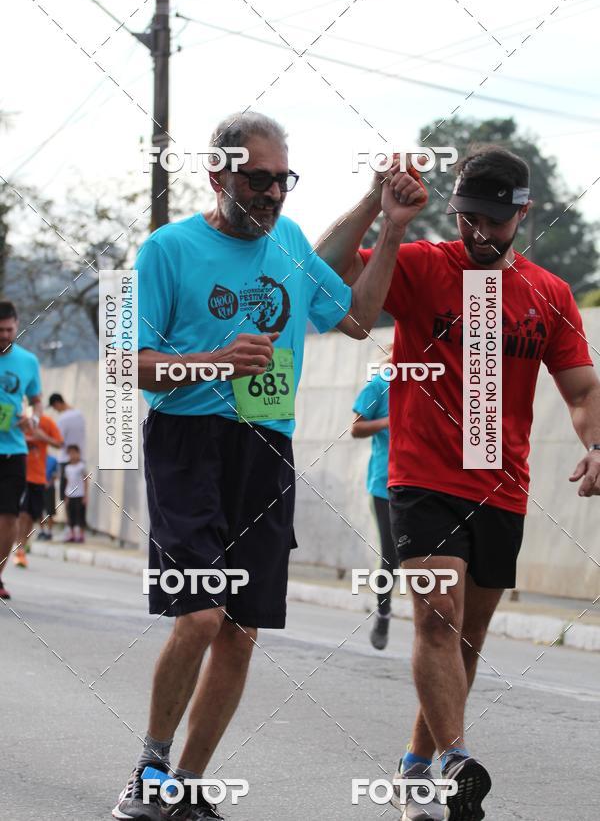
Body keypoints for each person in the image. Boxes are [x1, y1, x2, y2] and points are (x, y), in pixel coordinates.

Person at [112, 111, 428, 821]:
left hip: (266, 446)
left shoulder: (285, 239)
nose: (273, 194)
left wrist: (393, 226)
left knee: (240, 627)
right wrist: (213, 361)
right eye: (258, 179)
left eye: (282, 179)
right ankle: (151, 764)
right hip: (189, 443)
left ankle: (186, 786)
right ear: (217, 173)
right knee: (199, 615)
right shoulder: (166, 250)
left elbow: (353, 315)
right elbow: (127, 364)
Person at [316, 145, 600, 821]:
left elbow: (583, 387)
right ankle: (456, 760)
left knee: (465, 641)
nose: (478, 233)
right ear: (455, 210)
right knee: (437, 618)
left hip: (502, 482)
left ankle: (417, 763)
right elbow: (325, 277)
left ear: (522, 216)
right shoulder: (420, 265)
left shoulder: (550, 295)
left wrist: (595, 441)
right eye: (468, 217)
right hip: (421, 474)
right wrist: (378, 210)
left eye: (493, 222)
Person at [351, 347, 397, 650]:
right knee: (391, 555)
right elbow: (356, 427)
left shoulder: (431, 384)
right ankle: (383, 612)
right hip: (385, 484)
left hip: (425, 484)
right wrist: (388, 422)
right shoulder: (380, 384)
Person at [0, 300, 42, 599]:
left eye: (9, 329)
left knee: (9, 518)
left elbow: (36, 400)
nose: (4, 334)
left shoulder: (28, 362)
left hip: (13, 450)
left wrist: (33, 418)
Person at [14, 412, 62, 566]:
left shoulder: (46, 422)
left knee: (32, 516)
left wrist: (42, 437)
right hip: (19, 475)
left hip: (39, 478)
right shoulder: (18, 419)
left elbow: (59, 443)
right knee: (22, 514)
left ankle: (21, 546)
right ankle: (19, 548)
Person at [47, 393, 86, 505]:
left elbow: (59, 442)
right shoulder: (80, 415)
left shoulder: (63, 419)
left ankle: (70, 522)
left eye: (54, 407)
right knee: (79, 493)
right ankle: (77, 521)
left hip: (66, 460)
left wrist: (44, 439)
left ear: (57, 403)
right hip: (80, 458)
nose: (55, 410)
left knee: (66, 496)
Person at [63, 444, 87, 543]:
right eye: (70, 453)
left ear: (78, 453)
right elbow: (68, 481)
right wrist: (66, 495)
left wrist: (86, 495)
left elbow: (86, 480)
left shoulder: (82, 466)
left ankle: (81, 534)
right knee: (71, 515)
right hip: (70, 494)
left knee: (80, 515)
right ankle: (72, 534)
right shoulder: (67, 467)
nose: (72, 455)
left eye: (74, 453)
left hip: (80, 494)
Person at [38, 452, 59, 541]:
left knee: (49, 511)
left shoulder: (53, 460)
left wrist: (49, 483)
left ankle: (49, 532)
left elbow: (56, 474)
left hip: (49, 488)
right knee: (39, 511)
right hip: (38, 487)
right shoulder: (37, 458)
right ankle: (42, 530)